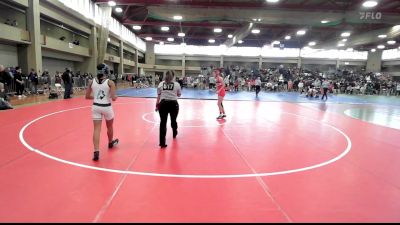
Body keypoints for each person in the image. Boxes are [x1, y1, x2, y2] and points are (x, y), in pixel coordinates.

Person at [85, 63, 119, 161]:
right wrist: (115, 96)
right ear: (106, 71)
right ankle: (110, 142)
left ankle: (96, 151)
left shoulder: (91, 82)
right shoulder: (110, 82)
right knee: (109, 126)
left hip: (96, 106)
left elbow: (87, 97)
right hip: (106, 107)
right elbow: (113, 98)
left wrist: (96, 97)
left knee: (96, 129)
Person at [155, 70, 181, 148]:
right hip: (173, 104)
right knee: (173, 120)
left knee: (163, 123)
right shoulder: (177, 84)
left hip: (163, 104)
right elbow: (179, 95)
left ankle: (162, 143)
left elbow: (159, 96)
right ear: (173, 76)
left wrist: (157, 105)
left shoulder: (160, 84)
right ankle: (174, 132)